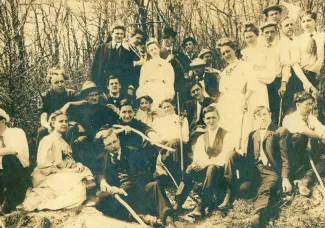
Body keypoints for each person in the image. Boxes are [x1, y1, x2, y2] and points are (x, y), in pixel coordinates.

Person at [94, 129, 176, 227]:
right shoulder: (102, 158)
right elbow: (97, 173)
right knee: (100, 200)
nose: (113, 146)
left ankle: (168, 220)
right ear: (104, 146)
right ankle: (140, 217)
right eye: (109, 144)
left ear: (119, 139)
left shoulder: (133, 152)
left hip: (137, 192)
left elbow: (142, 176)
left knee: (155, 185)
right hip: (119, 198)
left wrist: (122, 190)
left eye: (114, 141)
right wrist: (102, 180)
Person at [22, 111, 94, 211]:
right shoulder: (47, 139)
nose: (64, 124)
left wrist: (76, 165)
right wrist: (64, 171)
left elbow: (66, 162)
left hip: (59, 172)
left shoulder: (63, 142)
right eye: (60, 121)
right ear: (52, 123)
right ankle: (45, 204)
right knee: (77, 186)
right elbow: (43, 164)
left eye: (66, 121)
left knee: (82, 172)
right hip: (46, 175)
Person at [174, 106, 236, 217]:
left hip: (221, 172)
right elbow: (198, 156)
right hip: (205, 171)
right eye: (208, 118)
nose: (211, 121)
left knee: (212, 167)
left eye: (213, 118)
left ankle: (202, 205)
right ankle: (178, 202)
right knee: (190, 168)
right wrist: (196, 164)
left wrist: (206, 163)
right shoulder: (201, 138)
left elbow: (225, 156)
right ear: (204, 120)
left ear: (219, 118)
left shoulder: (227, 135)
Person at [240, 106, 291, 227]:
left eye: (264, 114)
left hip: (271, 170)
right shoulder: (253, 134)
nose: (262, 118)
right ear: (255, 118)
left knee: (266, 188)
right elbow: (250, 158)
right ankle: (268, 192)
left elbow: (286, 157)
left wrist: (285, 178)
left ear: (270, 115)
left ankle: (258, 215)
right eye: (259, 115)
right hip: (257, 169)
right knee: (243, 188)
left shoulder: (280, 131)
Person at [67, 81, 118, 170]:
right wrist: (77, 124)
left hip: (101, 140)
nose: (95, 97)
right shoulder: (80, 109)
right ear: (85, 97)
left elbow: (113, 123)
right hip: (85, 140)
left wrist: (107, 130)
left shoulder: (104, 108)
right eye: (91, 95)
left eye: (96, 95)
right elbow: (69, 120)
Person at [216, 38, 255, 152]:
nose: (226, 55)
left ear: (234, 50)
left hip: (240, 99)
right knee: (226, 130)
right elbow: (223, 90)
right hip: (226, 103)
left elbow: (251, 86)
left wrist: (244, 100)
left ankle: (241, 155)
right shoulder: (225, 70)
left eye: (228, 51)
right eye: (223, 53)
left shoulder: (245, 65)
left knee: (241, 130)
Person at [283, 92, 325, 196]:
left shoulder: (311, 118)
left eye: (312, 104)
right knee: (300, 137)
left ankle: (306, 180)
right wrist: (320, 137)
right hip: (295, 159)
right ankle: (299, 178)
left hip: (311, 155)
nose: (310, 107)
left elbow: (321, 129)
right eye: (308, 104)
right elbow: (303, 130)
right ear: (298, 105)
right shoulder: (289, 118)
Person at [36, 67, 79, 149]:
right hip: (51, 124)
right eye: (56, 82)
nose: (60, 85)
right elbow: (43, 118)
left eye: (62, 81)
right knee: (42, 131)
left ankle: (69, 157)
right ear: (50, 83)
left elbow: (84, 102)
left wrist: (69, 104)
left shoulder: (71, 94)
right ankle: (40, 159)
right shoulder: (45, 96)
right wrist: (49, 127)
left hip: (67, 123)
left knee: (70, 130)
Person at [241, 23, 273, 126]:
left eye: (251, 36)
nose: (249, 39)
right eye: (247, 37)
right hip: (245, 88)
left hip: (259, 88)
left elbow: (271, 75)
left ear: (257, 36)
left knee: (260, 116)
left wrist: (256, 71)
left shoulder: (265, 51)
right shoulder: (244, 53)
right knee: (248, 118)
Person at [91, 21, 134, 93]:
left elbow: (129, 72)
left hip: (120, 89)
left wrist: (129, 87)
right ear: (111, 34)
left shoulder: (127, 52)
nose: (119, 36)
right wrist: (94, 85)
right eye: (117, 33)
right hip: (102, 87)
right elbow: (94, 68)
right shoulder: (102, 48)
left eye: (121, 34)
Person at [152, 98, 190, 182]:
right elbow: (156, 136)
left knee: (175, 142)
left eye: (168, 106)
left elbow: (186, 137)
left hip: (180, 145)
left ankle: (173, 173)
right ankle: (171, 175)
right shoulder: (158, 121)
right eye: (164, 107)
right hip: (164, 145)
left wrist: (179, 128)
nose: (166, 109)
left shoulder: (181, 119)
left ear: (174, 106)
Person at [0, 108, 30, 213]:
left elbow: (13, 150)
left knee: (8, 158)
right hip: (2, 175)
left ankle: (9, 202)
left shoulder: (16, 132)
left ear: (2, 121)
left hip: (19, 172)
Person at [137, 38, 175, 110]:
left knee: (160, 109)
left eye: (155, 48)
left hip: (161, 89)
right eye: (151, 50)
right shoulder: (146, 65)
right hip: (148, 90)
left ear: (159, 49)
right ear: (148, 52)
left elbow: (170, 81)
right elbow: (142, 82)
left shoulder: (166, 64)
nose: (154, 51)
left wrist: (169, 95)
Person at [295, 11, 325, 90]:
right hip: (303, 76)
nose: (306, 24)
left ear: (315, 21)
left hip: (320, 76)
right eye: (303, 21)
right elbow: (295, 63)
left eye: (309, 20)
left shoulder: (322, 37)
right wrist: (305, 82)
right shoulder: (298, 40)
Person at [160, 27, 190, 103]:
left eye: (168, 37)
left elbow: (188, 66)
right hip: (164, 85)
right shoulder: (158, 53)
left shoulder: (178, 53)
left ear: (173, 39)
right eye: (164, 38)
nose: (165, 40)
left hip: (179, 85)